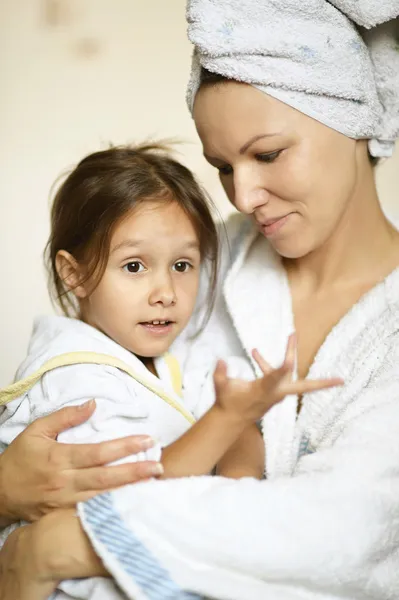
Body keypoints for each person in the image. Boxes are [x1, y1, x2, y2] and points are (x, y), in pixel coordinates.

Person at [2, 1, 399, 598]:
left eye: (267, 154)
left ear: (355, 119)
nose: (243, 196)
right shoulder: (202, 264)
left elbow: (347, 529)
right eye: (222, 166)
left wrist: (57, 546)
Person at [0, 143, 337, 599]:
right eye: (134, 266)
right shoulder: (75, 383)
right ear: (73, 274)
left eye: (182, 265)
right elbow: (135, 505)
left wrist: (238, 483)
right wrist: (225, 419)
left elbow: (237, 430)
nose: (166, 292)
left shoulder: (174, 359)